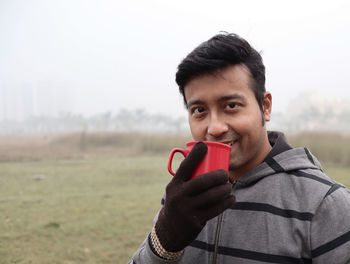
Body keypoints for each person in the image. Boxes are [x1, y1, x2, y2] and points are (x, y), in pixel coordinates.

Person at [129, 32, 350, 263]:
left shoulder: (326, 204)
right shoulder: (183, 196)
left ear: (265, 107)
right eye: (199, 110)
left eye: (231, 105)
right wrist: (164, 242)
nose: (214, 128)